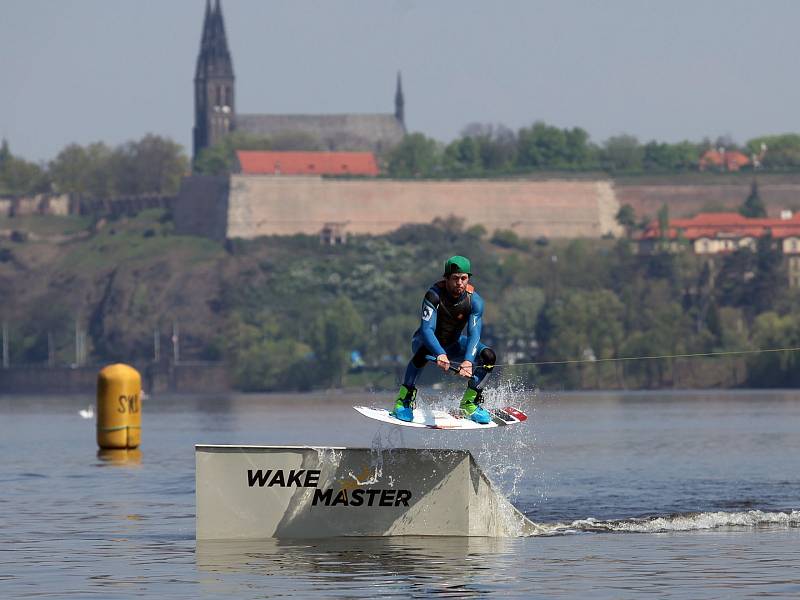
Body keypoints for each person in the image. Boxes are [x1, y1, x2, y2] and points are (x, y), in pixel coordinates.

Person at [392, 255, 496, 424]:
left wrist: (468, 361)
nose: (460, 283)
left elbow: (474, 334)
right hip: (426, 342)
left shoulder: (475, 301)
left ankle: (469, 403)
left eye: (464, 278)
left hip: (454, 345)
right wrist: (439, 353)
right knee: (422, 352)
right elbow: (427, 330)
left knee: (489, 357)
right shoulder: (433, 296)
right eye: (455, 278)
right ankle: (403, 401)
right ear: (446, 278)